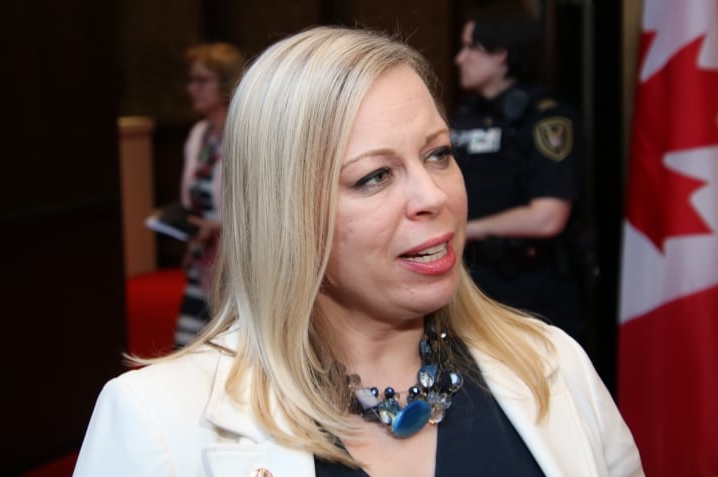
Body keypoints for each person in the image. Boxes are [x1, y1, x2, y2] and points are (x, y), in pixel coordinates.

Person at [74, 26, 641, 476]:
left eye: (439, 154)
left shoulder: (553, 364)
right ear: (285, 212)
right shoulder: (156, 419)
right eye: (374, 177)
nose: (433, 196)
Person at [450, 2, 590, 345]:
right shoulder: (465, 115)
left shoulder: (545, 119)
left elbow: (547, 217)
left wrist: (466, 230)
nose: (459, 58)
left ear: (500, 54)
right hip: (469, 282)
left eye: (470, 47)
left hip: (528, 286)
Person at [174, 42, 244, 347]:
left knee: (230, 350)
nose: (192, 89)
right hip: (203, 262)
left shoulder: (242, 133)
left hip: (236, 265)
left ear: (225, 84)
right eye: (191, 80)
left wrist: (216, 226)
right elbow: (194, 198)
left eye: (202, 81)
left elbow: (253, 204)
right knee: (190, 349)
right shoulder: (198, 135)